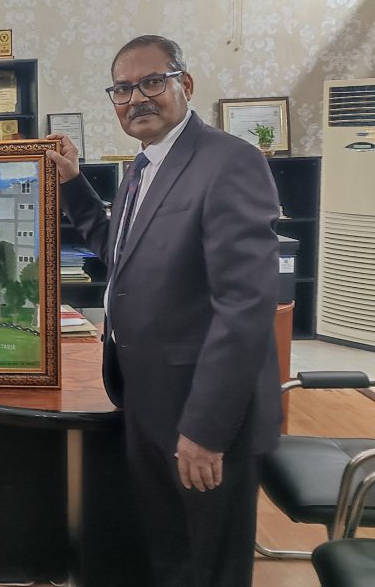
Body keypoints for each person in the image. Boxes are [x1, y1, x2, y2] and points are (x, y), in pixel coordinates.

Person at [46, 35, 281, 587]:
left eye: (152, 82)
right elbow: (119, 253)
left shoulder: (229, 162)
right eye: (122, 89)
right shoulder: (143, 166)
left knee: (206, 565)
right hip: (147, 396)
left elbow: (245, 307)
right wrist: (74, 183)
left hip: (201, 413)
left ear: (185, 84)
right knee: (169, 552)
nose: (137, 98)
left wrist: (205, 430)